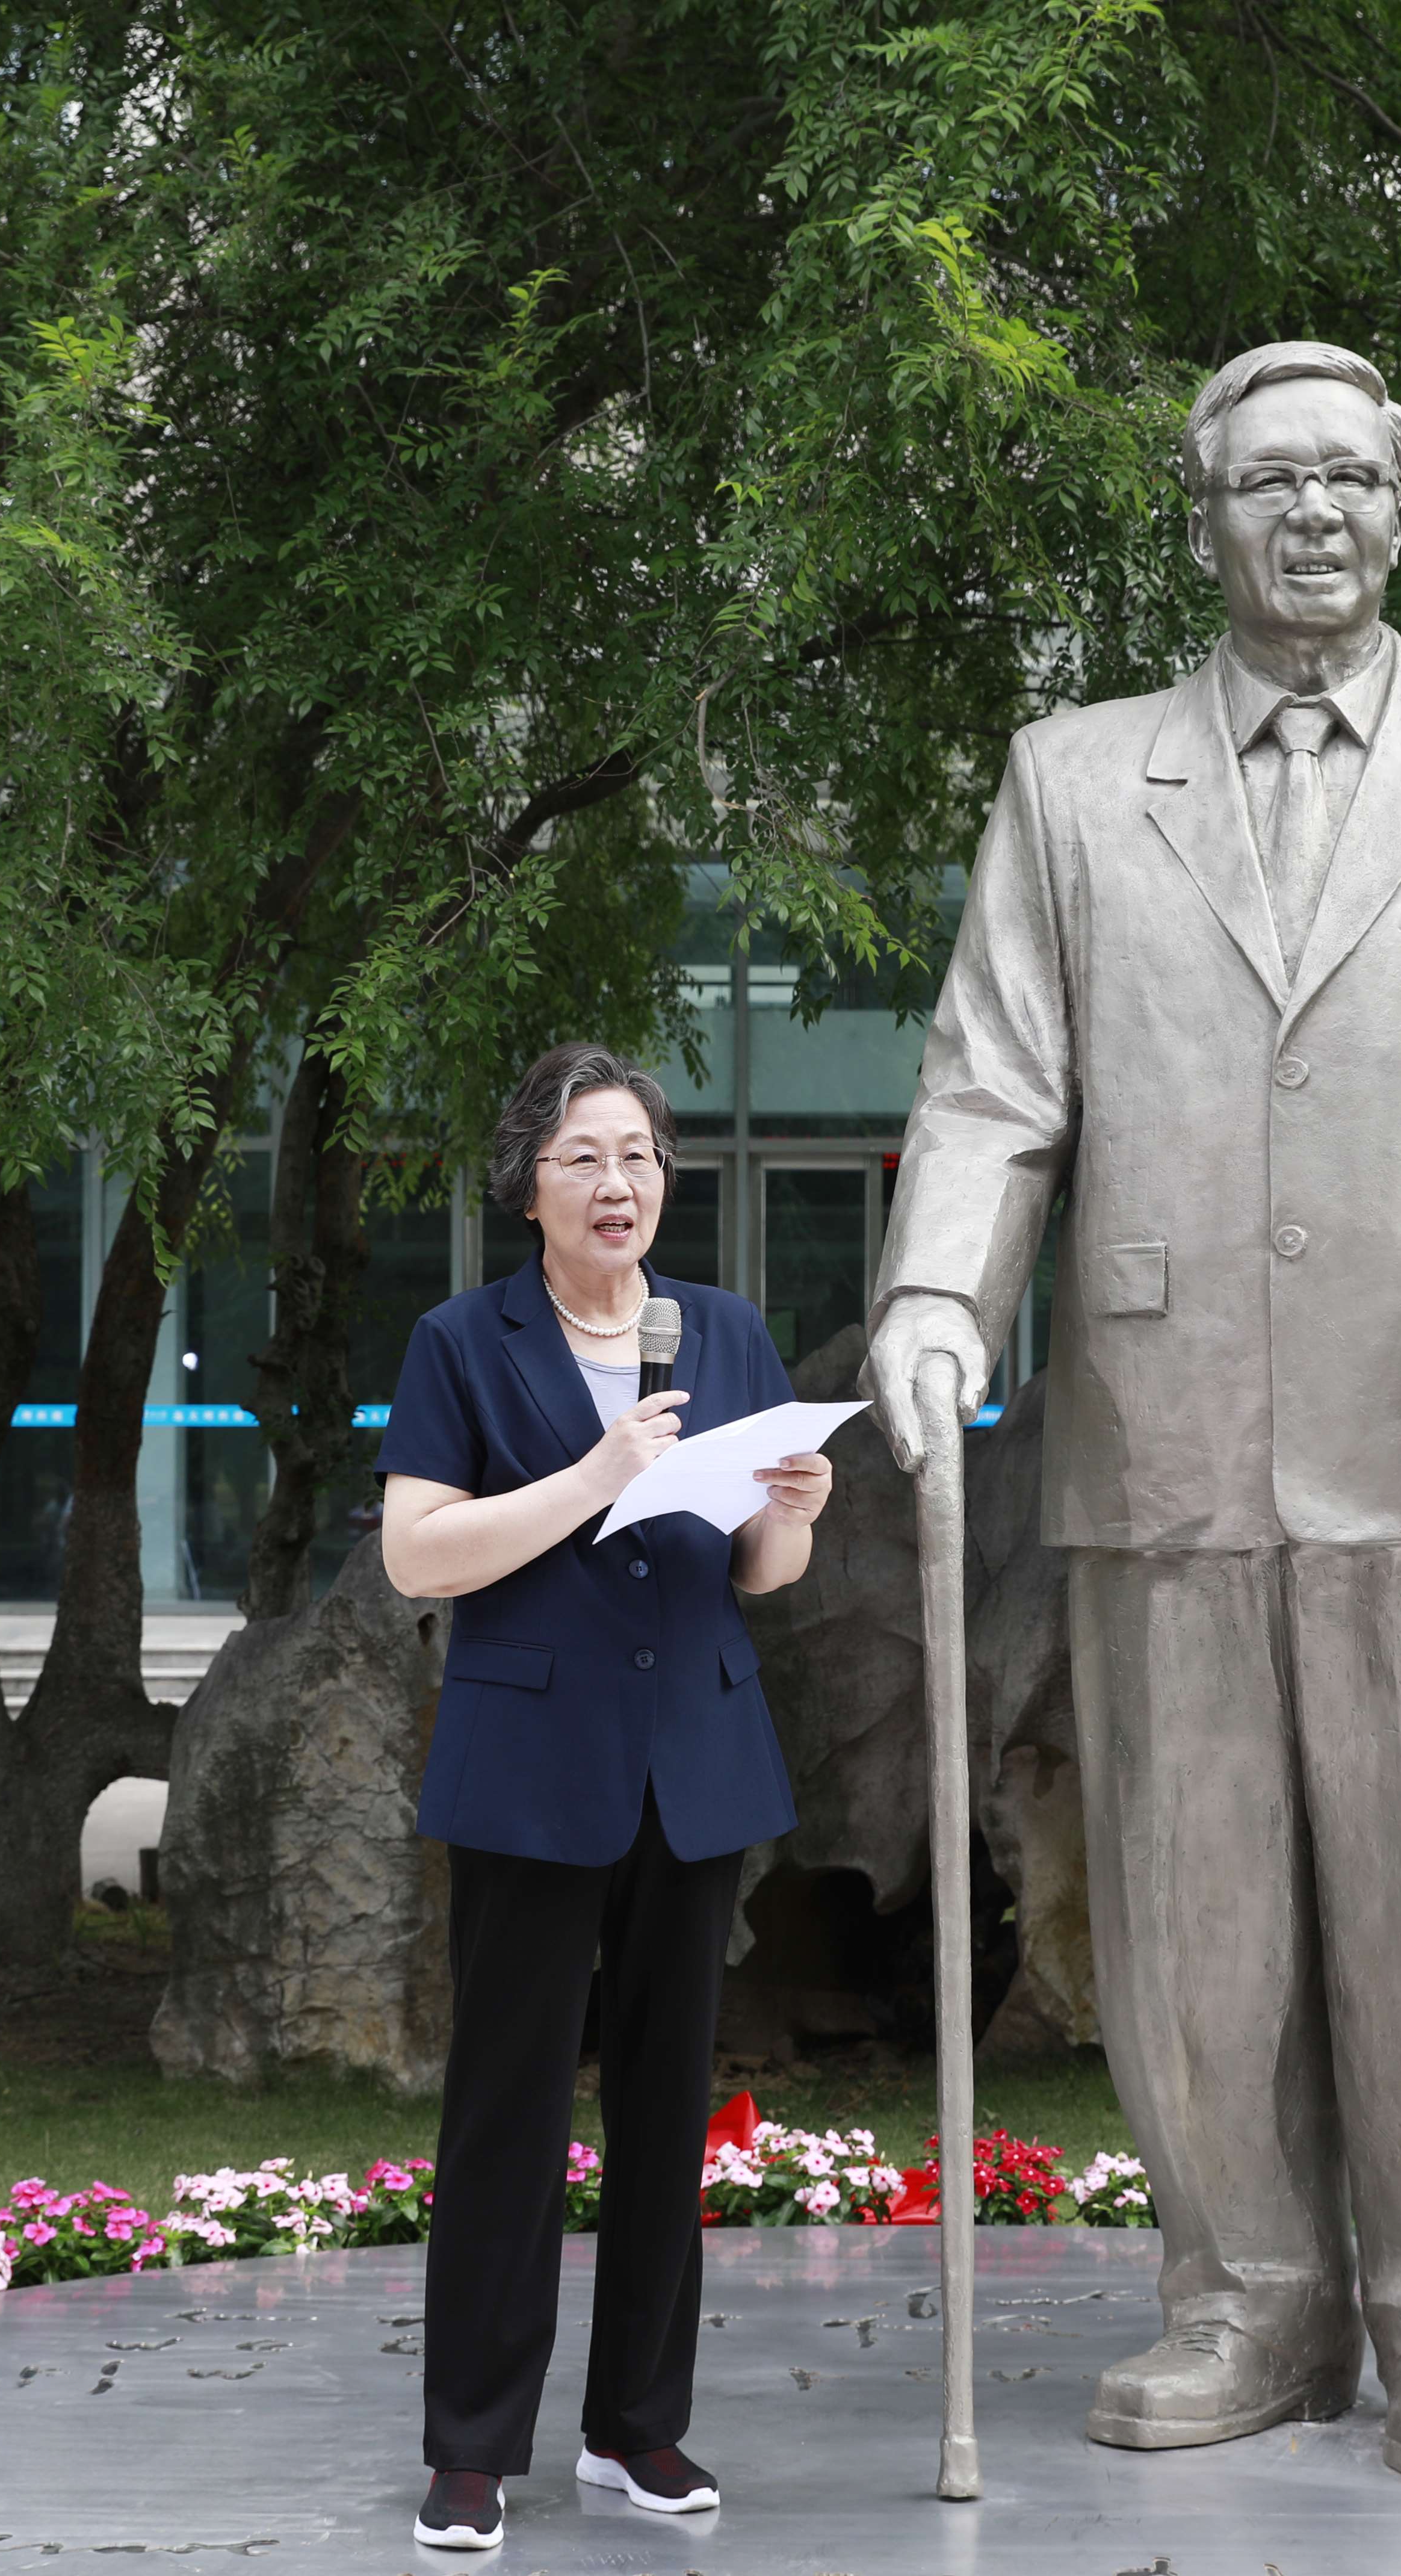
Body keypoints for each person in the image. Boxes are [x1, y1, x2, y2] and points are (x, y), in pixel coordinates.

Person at [864, 341, 1401, 2488]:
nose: (1311, 514)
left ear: (1398, 506)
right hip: (1168, 1422)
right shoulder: (1073, 781)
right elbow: (992, 1085)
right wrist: (940, 1296)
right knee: (1191, 1909)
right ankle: (1246, 2300)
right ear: (1206, 516)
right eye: (1266, 484)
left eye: (1346, 479)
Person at [375, 1041, 835, 2552]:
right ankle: (470, 2446)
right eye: (583, 1156)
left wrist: (792, 1513)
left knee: (664, 2109)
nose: (616, 1182)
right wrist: (594, 1473)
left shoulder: (726, 1331)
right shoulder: (462, 1340)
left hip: (691, 1768)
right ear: (529, 1186)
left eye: (637, 1155)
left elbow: (759, 1574)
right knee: (504, 2112)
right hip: (528, 1773)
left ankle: (638, 2426)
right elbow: (417, 1554)